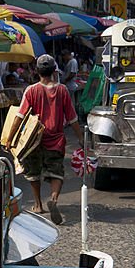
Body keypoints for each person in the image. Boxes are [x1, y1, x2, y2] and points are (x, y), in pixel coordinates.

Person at [18, 54, 83, 225]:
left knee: (33, 172)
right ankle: (53, 199)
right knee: (57, 172)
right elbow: (72, 118)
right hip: (56, 139)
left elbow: (19, 116)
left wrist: (10, 139)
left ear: (37, 71)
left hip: (35, 139)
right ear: (55, 71)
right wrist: (81, 138)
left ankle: (38, 204)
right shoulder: (62, 90)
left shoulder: (31, 90)